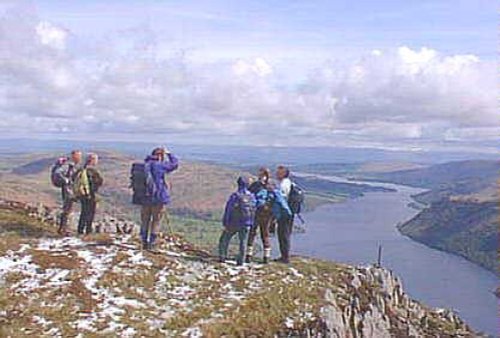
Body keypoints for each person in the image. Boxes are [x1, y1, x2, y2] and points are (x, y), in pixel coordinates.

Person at [140, 147, 179, 250]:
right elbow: (174, 164)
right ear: (160, 156)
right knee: (156, 221)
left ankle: (143, 241)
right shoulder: (160, 166)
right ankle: (152, 243)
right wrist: (169, 154)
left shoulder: (144, 165)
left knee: (145, 221)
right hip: (158, 198)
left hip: (144, 198)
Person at [219, 176, 256, 266]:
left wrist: (226, 221)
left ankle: (222, 257)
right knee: (243, 241)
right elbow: (255, 208)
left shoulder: (236, 195)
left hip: (234, 222)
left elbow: (229, 209)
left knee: (224, 239)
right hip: (247, 222)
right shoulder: (251, 196)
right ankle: (240, 261)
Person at [245, 167, 273, 264]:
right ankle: (266, 257)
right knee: (265, 234)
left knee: (252, 233)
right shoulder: (271, 186)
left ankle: (248, 256)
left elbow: (247, 196)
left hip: (256, 212)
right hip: (267, 213)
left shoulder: (256, 185)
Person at [76, 153, 103, 235]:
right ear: (92, 160)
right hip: (90, 195)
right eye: (96, 160)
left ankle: (80, 230)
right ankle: (88, 231)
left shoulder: (82, 169)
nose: (96, 161)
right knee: (90, 213)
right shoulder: (92, 171)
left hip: (82, 194)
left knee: (84, 212)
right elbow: (98, 182)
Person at [57, 150, 82, 236]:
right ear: (74, 156)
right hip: (68, 190)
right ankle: (62, 229)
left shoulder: (71, 164)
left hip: (69, 189)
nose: (79, 158)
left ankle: (63, 228)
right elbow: (58, 172)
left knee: (68, 209)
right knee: (67, 209)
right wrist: (66, 181)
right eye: (78, 156)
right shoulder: (68, 165)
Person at [274, 165, 294, 264]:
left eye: (278, 172)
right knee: (284, 234)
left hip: (284, 213)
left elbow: (281, 200)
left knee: (283, 234)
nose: (276, 174)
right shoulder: (288, 182)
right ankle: (284, 256)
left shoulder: (283, 184)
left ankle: (285, 258)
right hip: (288, 212)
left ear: (283, 174)